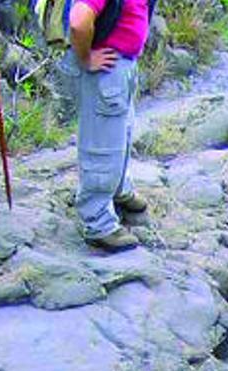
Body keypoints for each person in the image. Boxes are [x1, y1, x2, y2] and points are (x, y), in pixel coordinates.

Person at [68, 0, 152, 251]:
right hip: (106, 70)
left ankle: (119, 190)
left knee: (120, 135)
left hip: (123, 64)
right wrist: (85, 58)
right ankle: (98, 223)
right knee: (102, 145)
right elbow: (78, 21)